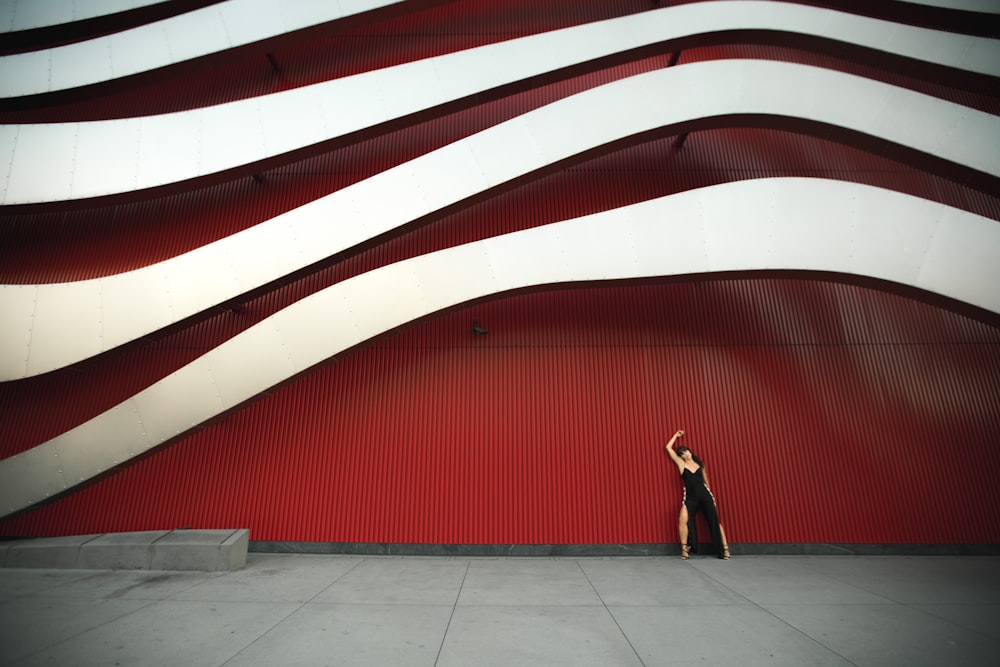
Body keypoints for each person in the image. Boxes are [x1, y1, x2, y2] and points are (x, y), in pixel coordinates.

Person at [664, 429, 730, 559]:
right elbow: (668, 448)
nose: (685, 454)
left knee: (715, 521)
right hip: (690, 497)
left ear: (690, 451)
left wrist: (710, 496)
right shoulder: (681, 464)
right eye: (682, 453)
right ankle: (684, 549)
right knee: (682, 519)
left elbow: (706, 481)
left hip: (705, 495)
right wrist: (676, 436)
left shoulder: (700, 464)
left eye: (686, 451)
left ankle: (725, 549)